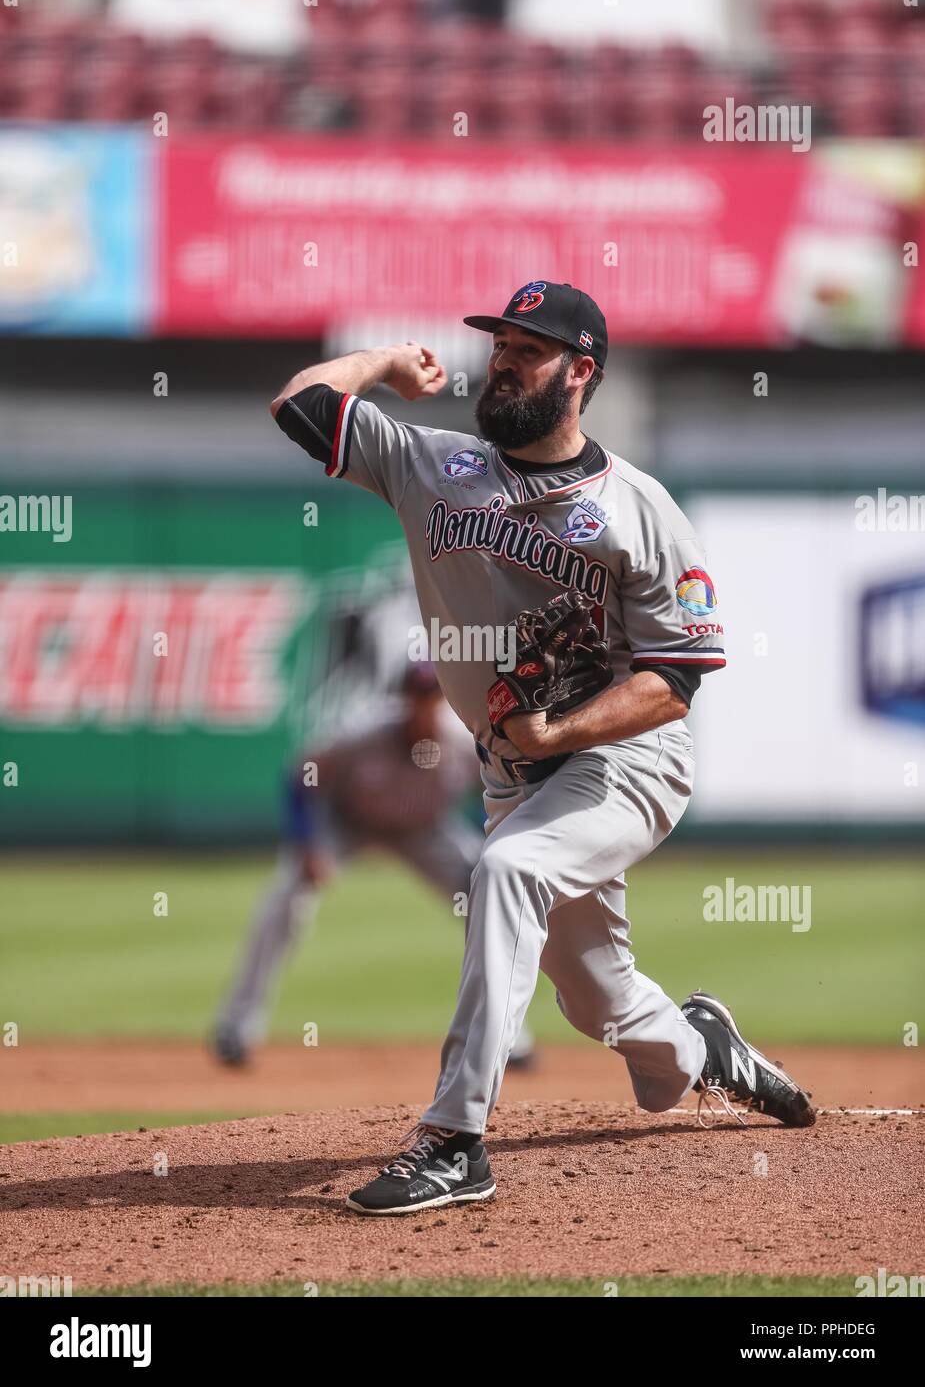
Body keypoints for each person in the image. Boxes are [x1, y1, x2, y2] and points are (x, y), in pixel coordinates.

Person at [270, 279, 815, 1216]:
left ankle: (452, 1143)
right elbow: (299, 405)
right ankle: (700, 1045)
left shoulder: (638, 508)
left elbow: (673, 679)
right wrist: (385, 364)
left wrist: (561, 727)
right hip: (515, 773)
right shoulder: (430, 464)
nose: (504, 360)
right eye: (501, 344)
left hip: (626, 763)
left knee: (509, 872)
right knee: (596, 1000)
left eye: (529, 348)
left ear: (580, 371)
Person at [212, 661, 536, 1068]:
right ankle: (237, 1027)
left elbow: (503, 790)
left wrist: (496, 845)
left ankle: (509, 1037)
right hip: (347, 821)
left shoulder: (463, 740)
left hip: (423, 829)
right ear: (402, 700)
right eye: (415, 697)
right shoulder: (361, 734)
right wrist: (308, 845)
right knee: (288, 896)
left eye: (431, 698)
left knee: (486, 893)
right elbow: (302, 775)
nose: (422, 706)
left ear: (444, 700)